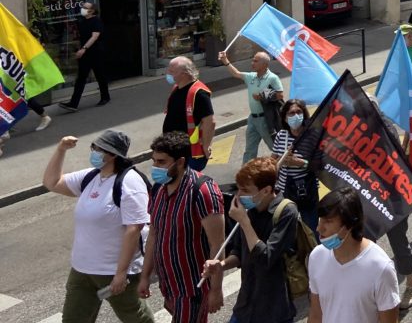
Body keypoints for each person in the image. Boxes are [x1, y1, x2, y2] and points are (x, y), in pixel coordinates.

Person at [43, 130, 154, 323]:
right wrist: (61, 150)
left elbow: (134, 229)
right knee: (73, 319)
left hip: (113, 271)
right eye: (93, 147)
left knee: (136, 318)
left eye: (98, 149)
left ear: (112, 155)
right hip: (82, 269)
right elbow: (52, 182)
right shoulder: (91, 177)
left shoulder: (130, 182)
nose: (93, 152)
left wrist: (121, 273)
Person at [139, 131, 225, 323]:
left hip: (192, 288)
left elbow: (217, 245)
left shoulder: (202, 191)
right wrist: (145, 276)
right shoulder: (159, 189)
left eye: (161, 162)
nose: (155, 167)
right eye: (154, 161)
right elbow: (154, 234)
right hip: (169, 284)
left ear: (180, 162)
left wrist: (216, 289)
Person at [202, 157, 297, 323]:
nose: (239, 196)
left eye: (245, 190)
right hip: (246, 303)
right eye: (238, 189)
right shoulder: (250, 210)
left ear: (266, 190)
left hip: (273, 309)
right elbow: (239, 253)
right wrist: (221, 265)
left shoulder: (286, 211)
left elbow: (265, 257)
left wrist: (244, 222)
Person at [308, 187, 400, 323]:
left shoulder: (381, 268)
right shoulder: (316, 257)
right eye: (320, 220)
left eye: (328, 221)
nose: (319, 228)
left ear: (350, 224)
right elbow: (316, 315)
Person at [219, 51, 284, 162]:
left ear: (264, 64)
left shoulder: (272, 78)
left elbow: (280, 94)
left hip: (266, 120)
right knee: (250, 149)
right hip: (252, 119)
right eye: (253, 60)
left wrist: (262, 96)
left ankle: (283, 170)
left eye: (255, 61)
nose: (252, 63)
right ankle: (246, 174)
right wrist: (225, 60)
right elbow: (236, 73)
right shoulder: (251, 77)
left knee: (275, 148)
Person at [271, 99, 320, 231]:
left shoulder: (312, 136)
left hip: (307, 189)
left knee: (311, 227)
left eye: (299, 112)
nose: (295, 116)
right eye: (291, 113)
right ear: (285, 118)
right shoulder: (281, 136)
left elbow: (320, 164)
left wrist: (300, 163)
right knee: (288, 228)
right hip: (284, 190)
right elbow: (272, 163)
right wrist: (283, 159)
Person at [162, 57, 214, 171]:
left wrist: (206, 146)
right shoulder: (176, 88)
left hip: (190, 152)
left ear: (184, 74)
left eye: (172, 71)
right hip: (174, 148)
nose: (168, 74)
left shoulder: (199, 93)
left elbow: (210, 122)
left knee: (186, 184)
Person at [59, 0, 109, 112]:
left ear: (92, 11)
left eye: (86, 7)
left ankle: (105, 97)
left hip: (96, 52)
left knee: (100, 75)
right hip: (85, 53)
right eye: (83, 7)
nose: (83, 9)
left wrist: (84, 49)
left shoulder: (96, 21)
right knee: (81, 78)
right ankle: (73, 103)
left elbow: (94, 36)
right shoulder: (82, 21)